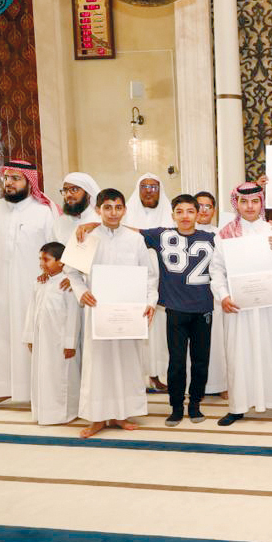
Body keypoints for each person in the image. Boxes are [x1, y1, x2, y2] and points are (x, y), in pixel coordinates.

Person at [66, 188, 157, 439]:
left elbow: (149, 275)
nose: (113, 212)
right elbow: (71, 272)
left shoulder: (135, 239)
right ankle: (96, 418)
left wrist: (150, 302)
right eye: (107, 207)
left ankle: (121, 415)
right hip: (98, 311)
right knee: (99, 364)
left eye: (118, 207)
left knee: (128, 362)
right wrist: (81, 291)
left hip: (128, 313)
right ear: (98, 210)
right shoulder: (86, 236)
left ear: (124, 210)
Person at [0, 159, 57, 410]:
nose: (9, 183)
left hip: (31, 287)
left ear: (29, 181)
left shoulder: (44, 211)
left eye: (16, 178)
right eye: (7, 178)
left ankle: (34, 391)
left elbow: (54, 248)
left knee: (31, 337)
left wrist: (53, 279)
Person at [209, 183, 272, 426]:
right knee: (239, 354)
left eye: (255, 201)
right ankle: (238, 406)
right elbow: (217, 270)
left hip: (269, 306)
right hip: (238, 305)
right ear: (237, 204)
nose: (250, 206)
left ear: (261, 203)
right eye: (244, 202)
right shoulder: (225, 234)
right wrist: (223, 296)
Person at [138, 195, 216, 426]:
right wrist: (93, 223)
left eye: (190, 211)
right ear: (173, 215)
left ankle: (195, 404)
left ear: (198, 214)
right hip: (175, 309)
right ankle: (175, 406)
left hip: (203, 308)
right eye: (179, 211)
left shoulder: (212, 237)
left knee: (201, 360)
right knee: (177, 361)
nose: (185, 216)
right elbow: (130, 232)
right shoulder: (162, 235)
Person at [22, 241, 81, 425]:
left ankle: (65, 413)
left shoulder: (68, 284)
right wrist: (30, 336)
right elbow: (32, 310)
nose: (41, 263)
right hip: (42, 340)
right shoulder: (39, 282)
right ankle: (43, 411)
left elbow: (73, 314)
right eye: (40, 259)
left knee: (62, 377)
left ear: (61, 262)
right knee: (43, 375)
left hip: (60, 342)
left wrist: (70, 343)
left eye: (46, 260)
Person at [123, 172, 172, 391]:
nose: (148, 191)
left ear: (160, 190)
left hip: (163, 278)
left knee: (159, 329)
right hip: (134, 277)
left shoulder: (170, 214)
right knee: (135, 324)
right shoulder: (125, 215)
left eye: (153, 187)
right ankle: (135, 376)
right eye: (144, 186)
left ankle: (157, 374)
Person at [194, 190, 228, 398]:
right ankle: (197, 386)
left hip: (215, 294)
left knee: (217, 341)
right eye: (199, 206)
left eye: (208, 206)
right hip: (193, 295)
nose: (203, 210)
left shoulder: (222, 233)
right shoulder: (183, 231)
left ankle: (222, 384)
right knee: (196, 343)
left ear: (214, 210)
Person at [54, 172, 100, 244]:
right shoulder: (60, 222)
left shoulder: (100, 220)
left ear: (88, 193)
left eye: (74, 189)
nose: (68, 195)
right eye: (65, 190)